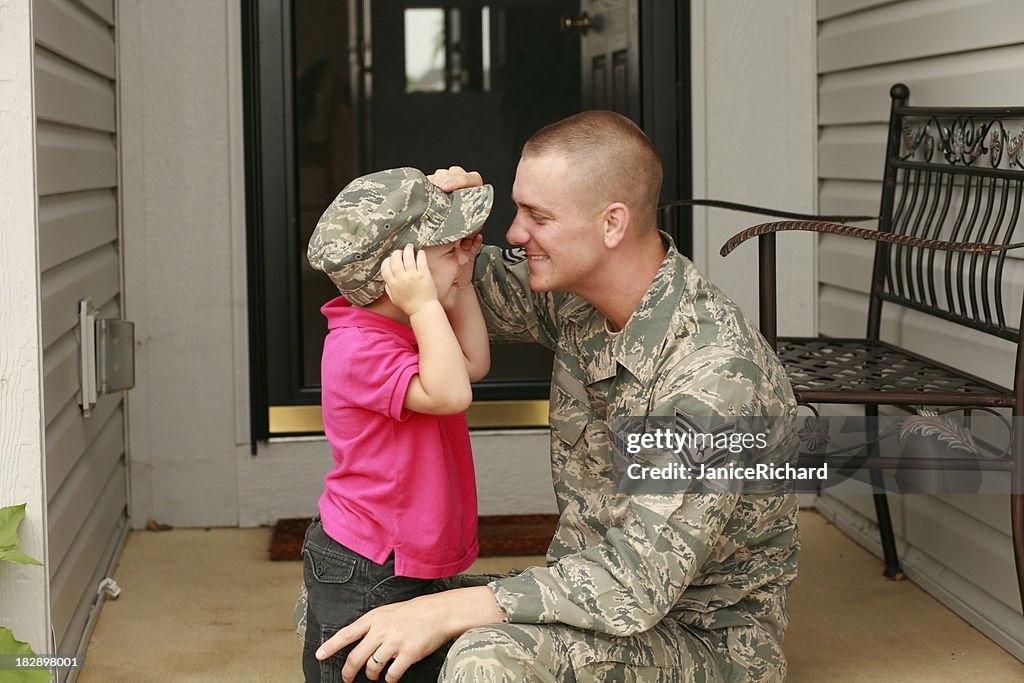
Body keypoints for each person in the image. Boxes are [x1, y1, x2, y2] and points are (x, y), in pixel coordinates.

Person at [315, 112, 801, 682]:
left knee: (485, 661)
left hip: (695, 633)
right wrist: (435, 227)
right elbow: (429, 292)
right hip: (589, 598)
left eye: (537, 217)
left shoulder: (713, 377)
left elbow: (636, 582)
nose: (515, 234)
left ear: (612, 224)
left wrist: (444, 609)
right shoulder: (579, 296)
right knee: (353, 616)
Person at [303, 167, 493, 682]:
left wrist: (460, 281)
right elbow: (452, 394)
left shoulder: (399, 326)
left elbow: (471, 365)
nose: (464, 253)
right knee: (363, 670)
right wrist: (428, 303)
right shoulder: (356, 347)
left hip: (397, 553)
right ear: (397, 272)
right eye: (447, 248)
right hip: (366, 564)